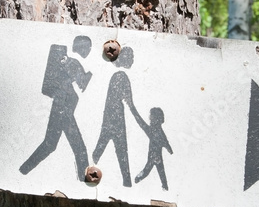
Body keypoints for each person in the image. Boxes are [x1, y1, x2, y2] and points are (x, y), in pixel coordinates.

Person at [19, 35, 92, 181]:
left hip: (63, 107)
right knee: (77, 147)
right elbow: (48, 88)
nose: (88, 51)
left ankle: (23, 171)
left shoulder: (70, 64)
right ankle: (85, 182)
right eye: (86, 48)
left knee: (50, 144)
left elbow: (80, 83)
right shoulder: (66, 63)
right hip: (62, 108)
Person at [92, 46, 139, 187]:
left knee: (103, 149)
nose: (132, 60)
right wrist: (141, 121)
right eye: (131, 57)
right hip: (116, 117)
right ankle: (127, 183)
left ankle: (127, 182)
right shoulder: (121, 77)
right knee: (121, 151)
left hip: (111, 116)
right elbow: (130, 103)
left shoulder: (117, 75)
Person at [133, 107, 172, 190]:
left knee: (148, 171)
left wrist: (132, 108)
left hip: (153, 156)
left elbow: (140, 122)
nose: (149, 118)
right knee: (160, 172)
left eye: (151, 116)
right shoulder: (159, 131)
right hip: (157, 156)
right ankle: (165, 186)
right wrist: (169, 149)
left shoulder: (152, 131)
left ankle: (137, 179)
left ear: (155, 119)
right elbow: (165, 141)